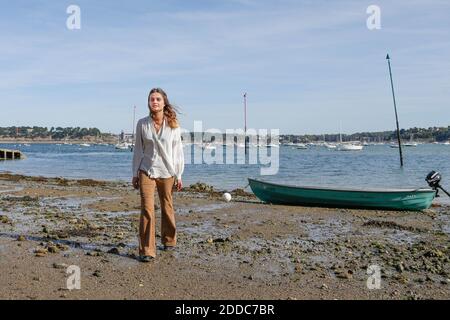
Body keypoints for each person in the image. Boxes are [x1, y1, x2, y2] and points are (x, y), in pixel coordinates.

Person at [132, 87, 184, 262]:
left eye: (158, 99)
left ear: (164, 103)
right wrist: (135, 173)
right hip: (146, 170)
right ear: (148, 102)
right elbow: (138, 150)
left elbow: (178, 152)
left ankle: (169, 239)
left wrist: (179, 174)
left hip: (167, 171)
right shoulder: (142, 123)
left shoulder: (173, 125)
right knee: (147, 208)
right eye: (151, 99)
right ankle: (147, 250)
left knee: (166, 205)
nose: (154, 102)